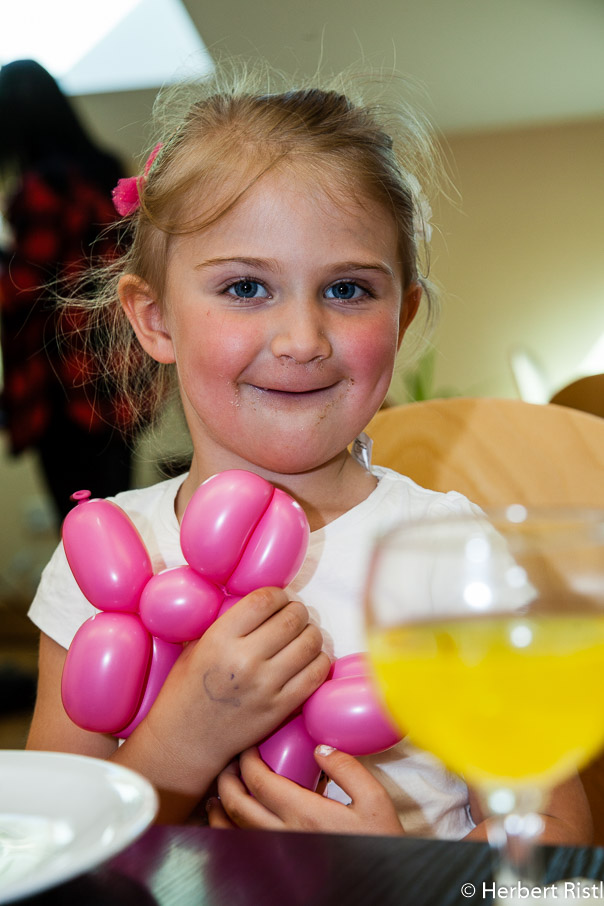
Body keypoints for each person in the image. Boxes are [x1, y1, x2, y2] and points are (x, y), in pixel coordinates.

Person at [25, 64, 591, 843]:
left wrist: (401, 877)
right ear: (154, 319)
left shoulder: (454, 552)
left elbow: (560, 878)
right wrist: (182, 744)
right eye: (246, 288)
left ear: (403, 313)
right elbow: (42, 851)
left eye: (349, 289)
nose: (302, 340)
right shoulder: (104, 559)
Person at [0, 60, 136, 525]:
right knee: (121, 518)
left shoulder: (39, 189)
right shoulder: (106, 173)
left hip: (61, 387)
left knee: (81, 531)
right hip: (116, 376)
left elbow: (23, 288)